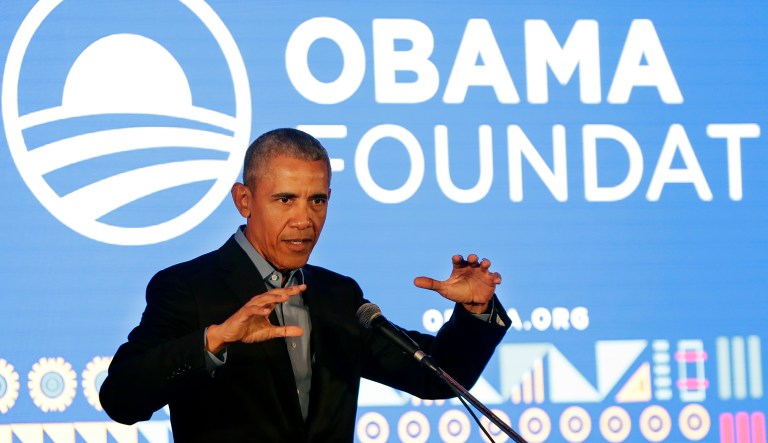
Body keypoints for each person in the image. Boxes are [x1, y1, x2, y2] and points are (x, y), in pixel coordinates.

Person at [100, 128, 511, 442]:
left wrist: (475, 312)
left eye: (318, 200)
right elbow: (121, 398)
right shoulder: (187, 287)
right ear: (244, 200)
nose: (305, 219)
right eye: (285, 199)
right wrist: (215, 340)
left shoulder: (337, 296)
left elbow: (436, 376)